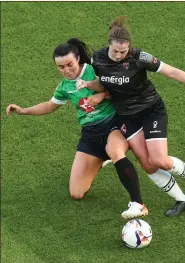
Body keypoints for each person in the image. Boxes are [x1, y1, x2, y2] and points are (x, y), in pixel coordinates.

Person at [76, 16, 185, 217]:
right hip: (126, 117)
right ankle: (182, 200)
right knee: (147, 164)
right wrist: (88, 85)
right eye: (115, 51)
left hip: (150, 110)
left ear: (129, 47)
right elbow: (103, 82)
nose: (119, 55)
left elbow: (171, 72)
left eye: (123, 51)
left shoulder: (140, 57)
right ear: (108, 45)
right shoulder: (98, 59)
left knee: (160, 161)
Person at [6, 38, 149, 219]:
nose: (66, 70)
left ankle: (138, 203)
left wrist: (102, 95)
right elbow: (50, 105)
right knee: (76, 193)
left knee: (116, 151)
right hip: (90, 134)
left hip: (112, 124)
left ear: (78, 59)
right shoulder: (65, 87)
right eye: (61, 67)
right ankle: (102, 158)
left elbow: (123, 90)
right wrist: (23, 110)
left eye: (69, 64)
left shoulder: (96, 70)